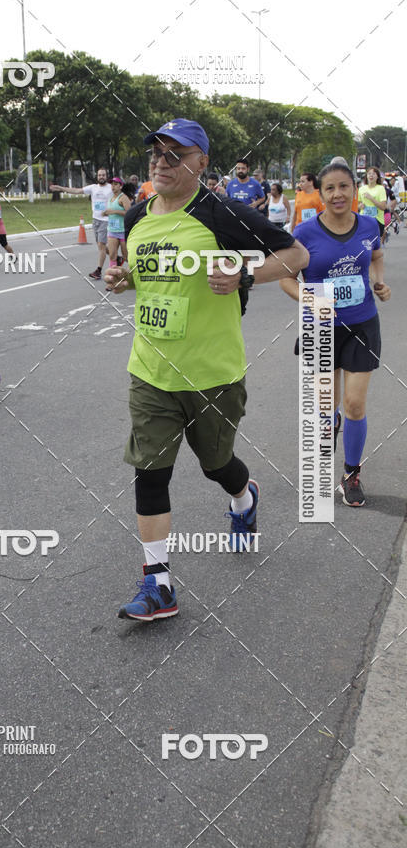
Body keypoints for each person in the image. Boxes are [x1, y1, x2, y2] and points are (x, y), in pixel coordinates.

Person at [104, 118, 308, 621]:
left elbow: (296, 254)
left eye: (175, 154)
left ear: (201, 163)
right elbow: (150, 276)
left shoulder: (222, 213)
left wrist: (243, 273)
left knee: (217, 465)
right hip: (151, 369)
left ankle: (244, 497)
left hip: (213, 373)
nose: (161, 162)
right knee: (150, 472)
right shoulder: (136, 216)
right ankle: (158, 584)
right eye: (156, 153)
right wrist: (125, 278)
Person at [280, 163, 390, 507]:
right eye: (330, 188)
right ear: (321, 193)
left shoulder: (369, 225)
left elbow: (376, 255)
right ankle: (332, 419)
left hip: (361, 324)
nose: (338, 194)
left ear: (354, 189)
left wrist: (379, 282)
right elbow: (286, 279)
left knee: (355, 404)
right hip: (320, 327)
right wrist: (309, 297)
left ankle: (351, 474)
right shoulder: (304, 233)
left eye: (344, 186)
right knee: (327, 405)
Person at [49, 169, 112, 280]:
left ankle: (98, 271)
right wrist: (60, 188)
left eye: (103, 175)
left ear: (106, 176)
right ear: (97, 176)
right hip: (95, 220)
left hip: (106, 220)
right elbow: (76, 191)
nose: (101, 177)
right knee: (101, 246)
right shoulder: (93, 188)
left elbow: (121, 196)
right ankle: (117, 257)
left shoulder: (111, 188)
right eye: (99, 175)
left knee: (101, 246)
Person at [104, 177, 132, 267]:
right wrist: (105, 213)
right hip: (112, 230)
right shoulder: (110, 198)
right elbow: (110, 213)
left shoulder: (123, 198)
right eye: (112, 184)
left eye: (116, 184)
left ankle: (134, 272)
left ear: (121, 186)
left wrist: (114, 211)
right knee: (112, 256)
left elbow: (130, 213)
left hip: (123, 231)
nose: (113, 186)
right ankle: (113, 274)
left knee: (126, 256)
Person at [358, 167, 386, 240]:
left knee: (374, 244)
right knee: (364, 243)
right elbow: (358, 204)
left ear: (377, 176)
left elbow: (383, 207)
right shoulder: (361, 189)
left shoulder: (381, 188)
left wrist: (371, 198)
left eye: (373, 174)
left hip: (377, 220)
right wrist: (360, 206)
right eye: (369, 173)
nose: (371, 175)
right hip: (364, 219)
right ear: (366, 176)